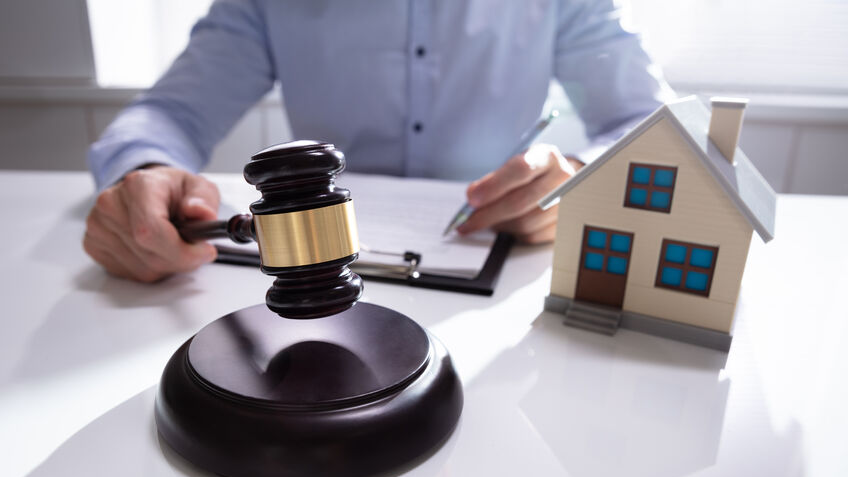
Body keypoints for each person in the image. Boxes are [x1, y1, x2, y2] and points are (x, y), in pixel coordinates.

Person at [84, 0, 673, 282]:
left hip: (503, 281)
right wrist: (147, 169)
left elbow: (649, 123)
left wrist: (579, 179)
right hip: (311, 278)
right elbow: (168, 113)